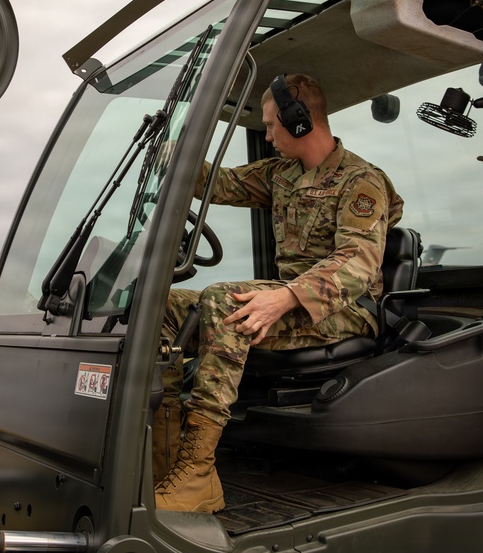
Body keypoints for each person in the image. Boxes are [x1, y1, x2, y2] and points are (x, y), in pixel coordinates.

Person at [154, 73, 404, 513]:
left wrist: (286, 297)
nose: (267, 135)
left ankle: (198, 473)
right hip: (290, 300)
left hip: (344, 308)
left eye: (272, 124)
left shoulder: (361, 181)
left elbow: (358, 264)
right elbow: (222, 184)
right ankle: (167, 461)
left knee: (222, 302)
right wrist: (171, 149)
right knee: (162, 308)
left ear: (301, 120)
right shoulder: (282, 174)